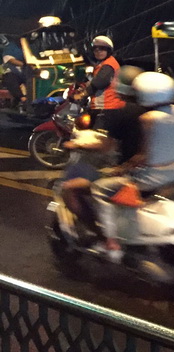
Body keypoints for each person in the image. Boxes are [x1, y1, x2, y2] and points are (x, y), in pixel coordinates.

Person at [92, 72, 174, 258]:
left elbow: (142, 156)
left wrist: (120, 169)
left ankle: (110, 242)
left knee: (98, 189)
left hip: (149, 179)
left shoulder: (149, 118)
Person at [61, 65, 145, 236]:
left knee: (69, 188)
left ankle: (97, 231)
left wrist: (78, 145)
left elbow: (107, 145)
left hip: (128, 175)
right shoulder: (157, 112)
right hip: (153, 174)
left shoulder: (121, 112)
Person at [79, 35, 125, 125]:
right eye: (95, 49)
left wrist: (82, 95)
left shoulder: (109, 65)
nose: (98, 52)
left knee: (97, 136)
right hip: (103, 107)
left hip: (106, 107)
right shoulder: (102, 64)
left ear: (108, 51)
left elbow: (99, 83)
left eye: (102, 49)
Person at [2, 35, 27, 111]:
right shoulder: (10, 47)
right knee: (10, 77)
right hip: (13, 72)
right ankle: (23, 99)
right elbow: (11, 60)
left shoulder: (29, 45)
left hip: (27, 71)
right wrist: (25, 65)